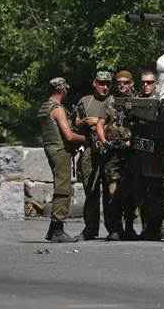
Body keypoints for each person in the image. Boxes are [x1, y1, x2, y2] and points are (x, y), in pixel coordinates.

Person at [132, 70, 164, 240]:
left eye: (150, 82)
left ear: (156, 83)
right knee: (144, 192)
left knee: (163, 191)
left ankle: (162, 227)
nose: (146, 85)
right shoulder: (136, 102)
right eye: (144, 82)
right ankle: (147, 228)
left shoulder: (163, 101)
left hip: (161, 153)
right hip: (142, 153)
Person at [38, 77, 86, 242]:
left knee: (61, 186)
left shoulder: (46, 106)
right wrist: (87, 139)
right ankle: (58, 229)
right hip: (60, 151)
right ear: (61, 90)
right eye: (66, 88)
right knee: (63, 189)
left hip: (51, 148)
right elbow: (69, 136)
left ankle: (52, 230)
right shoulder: (57, 109)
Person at [96, 70, 135, 240]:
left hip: (131, 152)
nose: (122, 85)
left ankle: (130, 228)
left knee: (131, 190)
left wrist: (132, 141)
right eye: (119, 82)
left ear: (131, 83)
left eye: (126, 82)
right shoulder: (110, 101)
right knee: (112, 190)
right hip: (113, 152)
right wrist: (104, 141)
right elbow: (100, 123)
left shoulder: (137, 101)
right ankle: (115, 228)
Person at [73, 71, 112, 240]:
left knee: (112, 191)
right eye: (101, 83)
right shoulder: (85, 101)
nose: (105, 87)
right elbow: (76, 123)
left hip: (110, 150)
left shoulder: (114, 101)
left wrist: (97, 121)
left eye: (108, 84)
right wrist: (82, 122)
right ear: (94, 83)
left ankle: (114, 228)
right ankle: (90, 228)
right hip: (90, 149)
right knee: (91, 190)